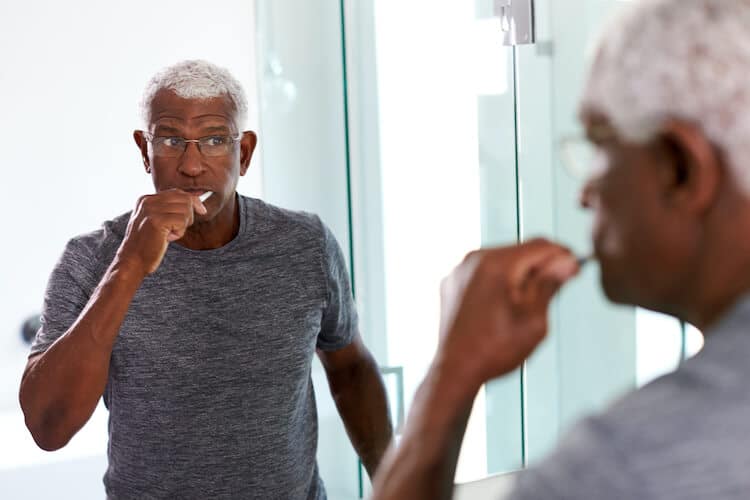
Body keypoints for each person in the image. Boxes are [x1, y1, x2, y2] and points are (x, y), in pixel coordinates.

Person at [371, 0, 750, 498]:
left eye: (598, 143)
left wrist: (451, 377)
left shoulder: (627, 465)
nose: (584, 194)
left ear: (680, 165)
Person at [19, 60, 393, 499]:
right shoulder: (90, 258)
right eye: (172, 140)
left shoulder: (305, 244)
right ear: (145, 151)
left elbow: (350, 370)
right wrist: (130, 264)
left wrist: (396, 483)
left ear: (245, 153)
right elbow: (48, 427)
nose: (192, 165)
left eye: (215, 140)